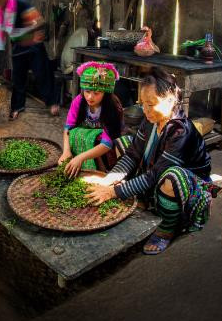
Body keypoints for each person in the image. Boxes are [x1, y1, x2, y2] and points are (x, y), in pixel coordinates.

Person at [87, 69, 212, 255]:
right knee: (123, 143)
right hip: (156, 174)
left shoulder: (180, 131)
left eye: (151, 104)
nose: (145, 111)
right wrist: (108, 180)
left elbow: (155, 174)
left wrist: (113, 192)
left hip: (189, 184)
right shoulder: (150, 120)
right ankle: (147, 199)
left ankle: (166, 230)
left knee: (171, 177)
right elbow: (133, 155)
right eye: (143, 104)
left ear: (170, 101)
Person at [0, 0, 59, 119]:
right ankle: (17, 107)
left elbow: (39, 21)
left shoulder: (21, 4)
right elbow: (0, 31)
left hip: (33, 47)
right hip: (18, 48)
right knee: (18, 79)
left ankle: (52, 103)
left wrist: (30, 32)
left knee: (42, 75)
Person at [58, 62, 124, 177]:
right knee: (76, 133)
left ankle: (100, 171)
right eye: (87, 91)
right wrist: (66, 151)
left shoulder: (113, 107)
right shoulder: (79, 100)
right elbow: (68, 127)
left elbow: (107, 143)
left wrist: (81, 157)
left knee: (101, 173)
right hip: (86, 140)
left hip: (105, 148)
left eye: (96, 93)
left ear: (106, 93)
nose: (90, 97)